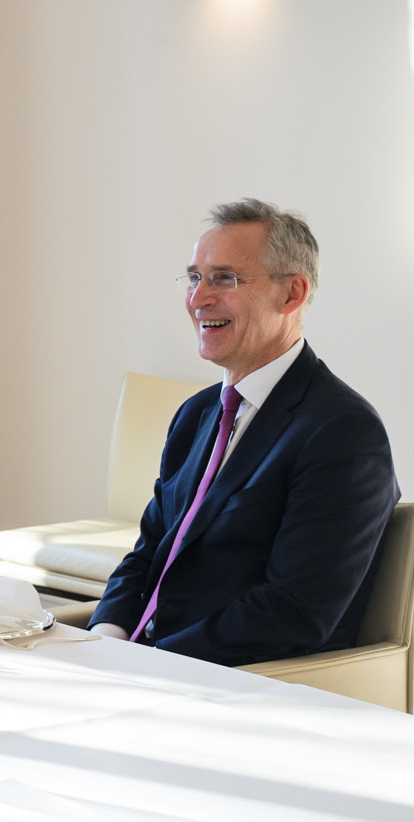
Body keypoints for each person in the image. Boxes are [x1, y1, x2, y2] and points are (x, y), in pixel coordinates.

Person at [89, 199, 398, 667]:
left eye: (224, 279)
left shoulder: (343, 432)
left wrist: (149, 663)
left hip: (233, 682)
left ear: (291, 294)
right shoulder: (195, 414)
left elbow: (292, 612)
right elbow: (149, 553)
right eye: (194, 278)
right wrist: (104, 639)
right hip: (144, 665)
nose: (198, 299)